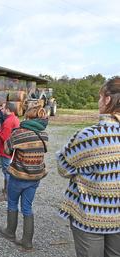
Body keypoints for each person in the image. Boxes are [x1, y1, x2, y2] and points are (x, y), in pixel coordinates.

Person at [57, 78, 120, 257]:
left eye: (100, 97)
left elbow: (63, 167)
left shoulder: (91, 135)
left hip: (91, 216)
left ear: (107, 99)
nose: (99, 101)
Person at [0, 106, 48, 251]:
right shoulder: (43, 133)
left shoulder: (19, 133)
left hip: (19, 175)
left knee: (12, 203)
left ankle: (10, 232)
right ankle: (27, 242)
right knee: (27, 207)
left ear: (27, 117)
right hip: (35, 177)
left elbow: (7, 150)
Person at [0, 102, 20, 201]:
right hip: (11, 149)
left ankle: (7, 194)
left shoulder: (8, 121)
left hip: (6, 150)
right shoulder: (15, 119)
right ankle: (8, 190)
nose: (1, 110)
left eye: (3, 108)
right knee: (8, 170)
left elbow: (4, 137)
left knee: (7, 171)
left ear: (8, 110)